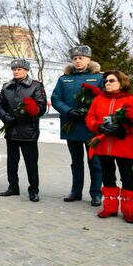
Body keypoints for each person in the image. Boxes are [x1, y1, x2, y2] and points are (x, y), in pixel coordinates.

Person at [85, 70, 133, 224]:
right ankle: (110, 207)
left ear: (121, 82)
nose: (108, 83)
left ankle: (128, 210)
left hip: (123, 145)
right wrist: (98, 127)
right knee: (107, 176)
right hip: (104, 145)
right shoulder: (99, 99)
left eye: (111, 81)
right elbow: (90, 117)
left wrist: (124, 130)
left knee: (127, 176)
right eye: (106, 81)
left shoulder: (131, 99)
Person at [51, 45, 103, 206]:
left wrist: (90, 112)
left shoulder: (99, 77)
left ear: (89, 59)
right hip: (71, 124)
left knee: (95, 161)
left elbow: (104, 98)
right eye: (75, 59)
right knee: (76, 161)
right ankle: (76, 191)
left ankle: (96, 193)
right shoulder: (64, 79)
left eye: (81, 58)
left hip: (91, 126)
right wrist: (68, 111)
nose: (78, 61)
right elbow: (55, 98)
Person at [0, 59, 47, 202]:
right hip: (11, 130)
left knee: (31, 162)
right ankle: (13, 187)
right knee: (12, 162)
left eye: (19, 69)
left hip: (28, 131)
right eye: (14, 69)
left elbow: (41, 107)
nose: (16, 71)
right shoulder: (7, 87)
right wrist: (6, 117)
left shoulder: (35, 86)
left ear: (26, 70)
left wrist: (25, 114)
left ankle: (34, 190)